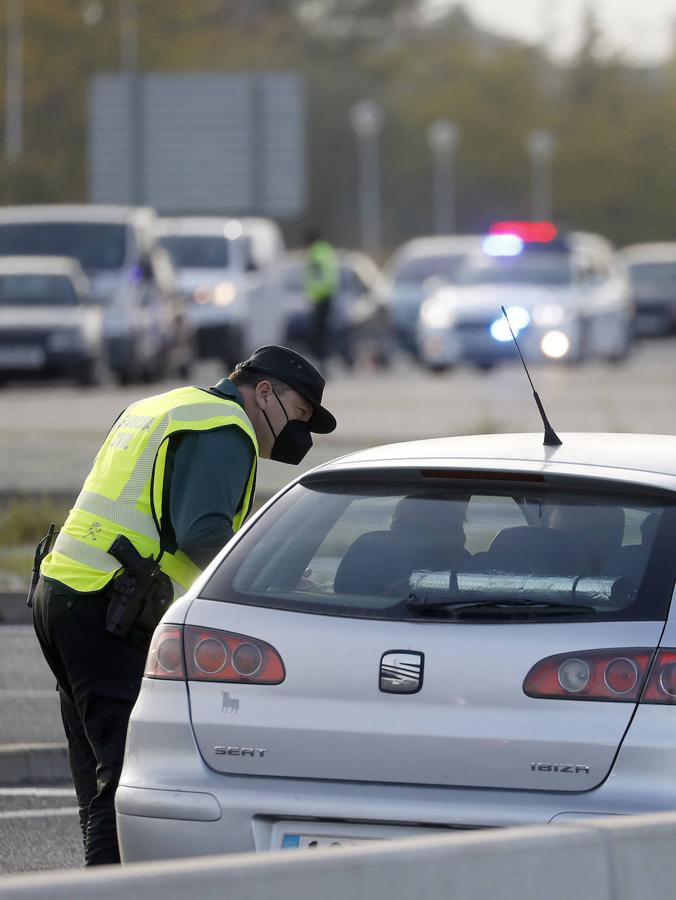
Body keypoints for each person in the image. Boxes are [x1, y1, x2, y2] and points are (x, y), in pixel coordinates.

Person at [31, 345, 336, 867]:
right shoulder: (227, 430)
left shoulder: (163, 406)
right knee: (124, 776)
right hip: (109, 610)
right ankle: (109, 885)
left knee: (95, 770)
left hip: (60, 593)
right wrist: (265, 579)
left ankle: (96, 879)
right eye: (299, 415)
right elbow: (204, 534)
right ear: (264, 392)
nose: (298, 434)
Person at [304, 227, 340, 366]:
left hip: (320, 297)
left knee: (318, 333)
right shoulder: (326, 251)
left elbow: (317, 276)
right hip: (327, 296)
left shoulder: (315, 254)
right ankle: (323, 361)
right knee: (323, 332)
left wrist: (314, 293)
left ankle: (321, 362)